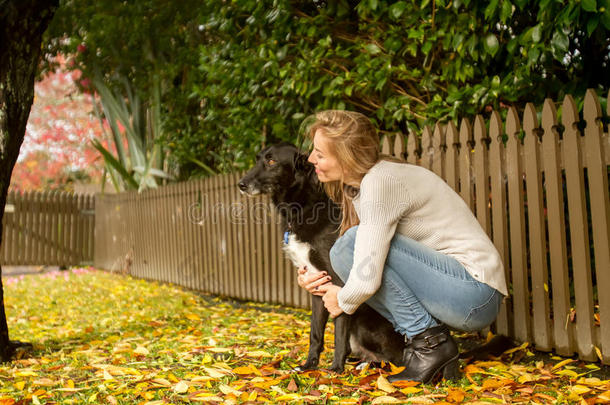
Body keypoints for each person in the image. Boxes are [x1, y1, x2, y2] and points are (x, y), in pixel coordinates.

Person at [296, 110, 508, 383]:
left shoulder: (381, 181)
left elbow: (366, 276)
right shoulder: (361, 186)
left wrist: (342, 299)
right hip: (462, 293)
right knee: (342, 251)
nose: (311, 159)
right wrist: (319, 280)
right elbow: (360, 265)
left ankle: (431, 347)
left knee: (347, 246)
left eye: (320, 153)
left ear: (347, 156)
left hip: (475, 293)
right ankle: (428, 345)